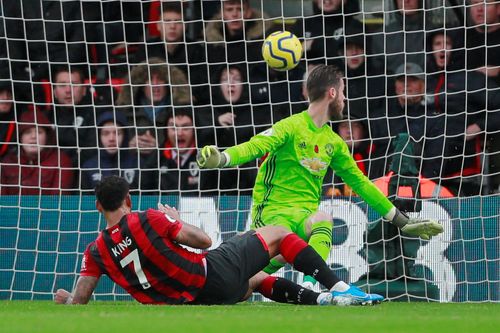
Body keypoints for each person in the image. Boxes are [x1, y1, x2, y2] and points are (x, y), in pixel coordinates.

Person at [197, 65, 444, 291]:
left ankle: (310, 285)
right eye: (344, 92)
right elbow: (254, 147)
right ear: (333, 93)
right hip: (272, 216)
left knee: (323, 219)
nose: (346, 99)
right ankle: (207, 277)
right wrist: (221, 159)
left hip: (303, 219)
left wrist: (401, 220)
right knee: (242, 283)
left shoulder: (333, 143)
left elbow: (361, 183)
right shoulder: (290, 126)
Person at [54, 175, 383, 306]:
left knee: (256, 279)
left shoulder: (95, 251)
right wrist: (178, 222)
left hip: (197, 300)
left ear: (98, 206)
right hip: (209, 274)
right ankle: (341, 289)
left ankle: (323, 302)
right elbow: (205, 240)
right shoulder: (147, 217)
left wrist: (64, 299)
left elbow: (80, 299)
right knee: (281, 234)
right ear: (128, 198)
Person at [0, 110, 74, 195]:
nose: (33, 137)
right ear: (20, 137)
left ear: (47, 137)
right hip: (12, 209)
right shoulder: (8, 162)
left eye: (39, 132)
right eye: (27, 132)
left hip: (49, 208)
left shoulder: (61, 162)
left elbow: (57, 201)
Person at [49, 65, 98, 167]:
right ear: (54, 92)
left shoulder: (95, 115)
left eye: (74, 85)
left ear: (84, 90)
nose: (68, 90)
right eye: (62, 85)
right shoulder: (45, 118)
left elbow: (92, 152)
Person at [158, 108, 200, 195]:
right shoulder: (156, 158)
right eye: (173, 128)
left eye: (185, 127)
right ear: (166, 131)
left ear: (194, 130)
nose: (179, 133)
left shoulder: (205, 157)